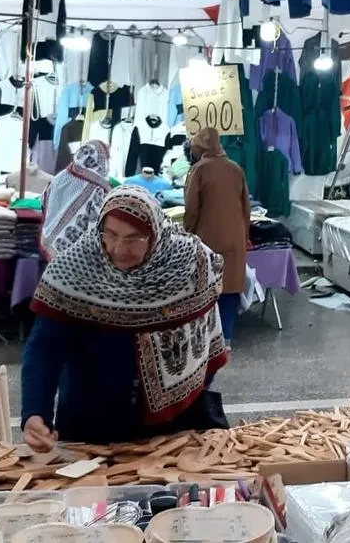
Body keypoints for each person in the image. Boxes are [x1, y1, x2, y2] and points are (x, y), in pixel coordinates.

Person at [21, 186, 230, 447]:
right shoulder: (73, 269)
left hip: (175, 426)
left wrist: (193, 385)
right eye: (109, 234)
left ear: (155, 233)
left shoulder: (190, 263)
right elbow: (43, 349)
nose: (118, 248)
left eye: (133, 239)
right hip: (91, 425)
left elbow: (208, 332)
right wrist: (35, 413)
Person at [184, 127, 251, 343]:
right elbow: (246, 208)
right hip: (234, 240)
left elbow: (191, 210)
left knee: (206, 289)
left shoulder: (199, 170)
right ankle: (226, 339)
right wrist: (243, 236)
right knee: (230, 289)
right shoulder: (236, 168)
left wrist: (187, 235)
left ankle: (206, 340)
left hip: (206, 241)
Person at [39, 141, 110, 261]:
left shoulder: (61, 176)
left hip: (48, 238)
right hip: (75, 256)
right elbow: (96, 224)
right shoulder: (98, 188)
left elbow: (43, 200)